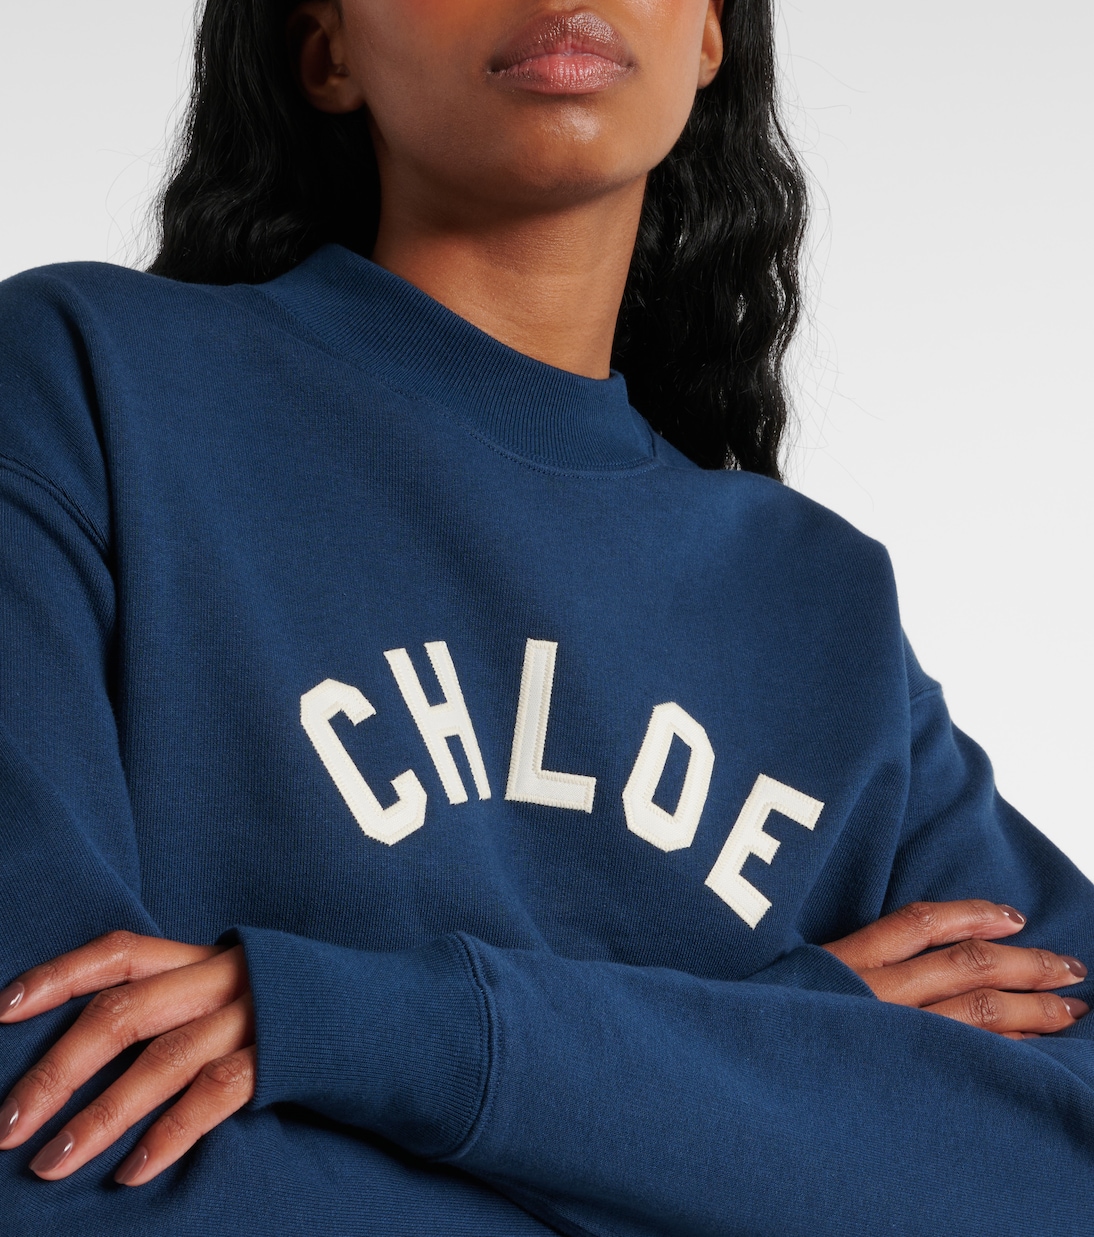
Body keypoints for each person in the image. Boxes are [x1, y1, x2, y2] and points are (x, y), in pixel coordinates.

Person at [0, 0, 1091, 1232]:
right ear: (329, 49)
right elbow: (37, 1133)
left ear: (709, 36)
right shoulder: (83, 392)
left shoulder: (820, 603)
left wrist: (398, 1032)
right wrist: (787, 1070)